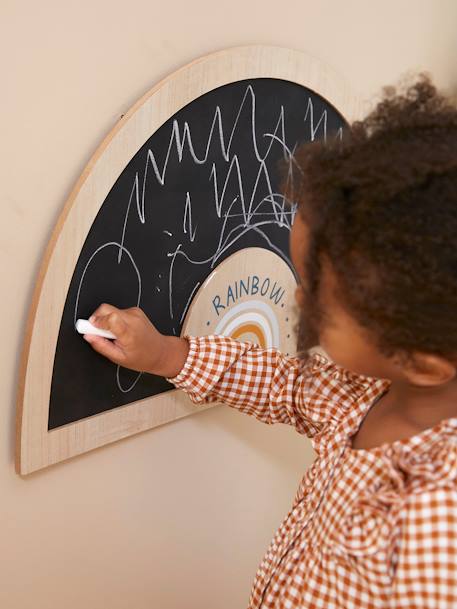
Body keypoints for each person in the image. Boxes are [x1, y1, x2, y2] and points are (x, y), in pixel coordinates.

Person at [83, 76, 457, 608]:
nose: (300, 300)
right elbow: (286, 386)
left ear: (422, 361)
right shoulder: (369, 392)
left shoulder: (436, 516)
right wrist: (169, 354)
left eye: (321, 301)